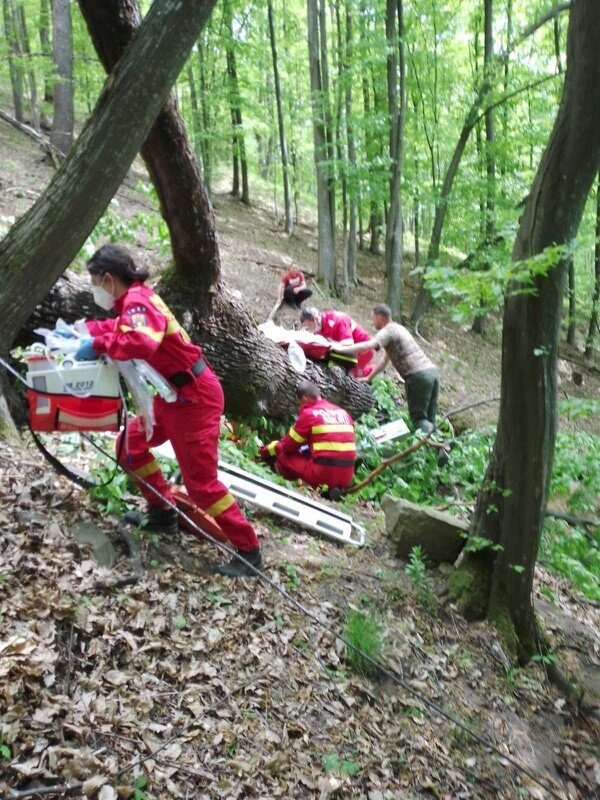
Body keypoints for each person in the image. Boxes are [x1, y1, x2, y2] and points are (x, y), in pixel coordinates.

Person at [74, 244, 263, 578]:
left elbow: (141, 342)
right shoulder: (133, 301)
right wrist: (84, 333)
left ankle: (249, 551)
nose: (94, 290)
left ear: (108, 279)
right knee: (130, 445)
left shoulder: (138, 302)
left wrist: (99, 344)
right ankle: (163, 514)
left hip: (194, 399)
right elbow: (121, 330)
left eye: (94, 282)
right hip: (172, 396)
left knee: (202, 485)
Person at [329, 303, 439, 433]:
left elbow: (367, 346)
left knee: (419, 419)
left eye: (373, 318)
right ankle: (439, 442)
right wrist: (369, 377)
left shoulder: (388, 331)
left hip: (417, 376)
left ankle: (432, 440)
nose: (372, 322)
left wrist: (339, 349)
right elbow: (384, 360)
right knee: (430, 419)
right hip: (432, 373)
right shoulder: (400, 329)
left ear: (380, 317)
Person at [259, 380, 356, 497]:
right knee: (310, 453)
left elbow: (287, 446)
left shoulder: (309, 414)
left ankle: (287, 489)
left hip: (324, 474)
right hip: (347, 476)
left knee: (283, 456)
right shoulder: (343, 413)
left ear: (305, 399)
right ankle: (329, 490)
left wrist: (264, 451)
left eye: (300, 403)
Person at [300, 306, 376, 378]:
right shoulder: (320, 326)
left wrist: (331, 344)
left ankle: (371, 371)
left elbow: (348, 342)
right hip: (347, 349)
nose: (309, 327)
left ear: (315, 319)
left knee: (352, 375)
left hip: (364, 348)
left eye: (309, 324)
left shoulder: (338, 320)